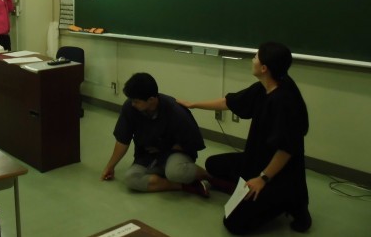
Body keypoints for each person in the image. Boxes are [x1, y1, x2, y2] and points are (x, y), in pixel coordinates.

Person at [178, 42, 311, 234]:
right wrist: (193, 104)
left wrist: (262, 179)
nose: (252, 59)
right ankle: (251, 194)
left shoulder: (284, 101)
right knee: (213, 164)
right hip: (257, 158)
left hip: (277, 173)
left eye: (256, 56)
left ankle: (289, 202)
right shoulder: (265, 86)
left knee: (234, 224)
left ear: (264, 68)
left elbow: (286, 149)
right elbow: (228, 102)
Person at [100, 72, 211, 198]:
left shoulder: (176, 111)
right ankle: (185, 186)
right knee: (131, 179)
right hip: (149, 155)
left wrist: (165, 147)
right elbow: (122, 140)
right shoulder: (130, 108)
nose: (132, 104)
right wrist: (110, 166)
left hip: (175, 153)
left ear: (151, 100)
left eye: (136, 101)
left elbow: (193, 144)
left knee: (175, 172)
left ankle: (208, 177)